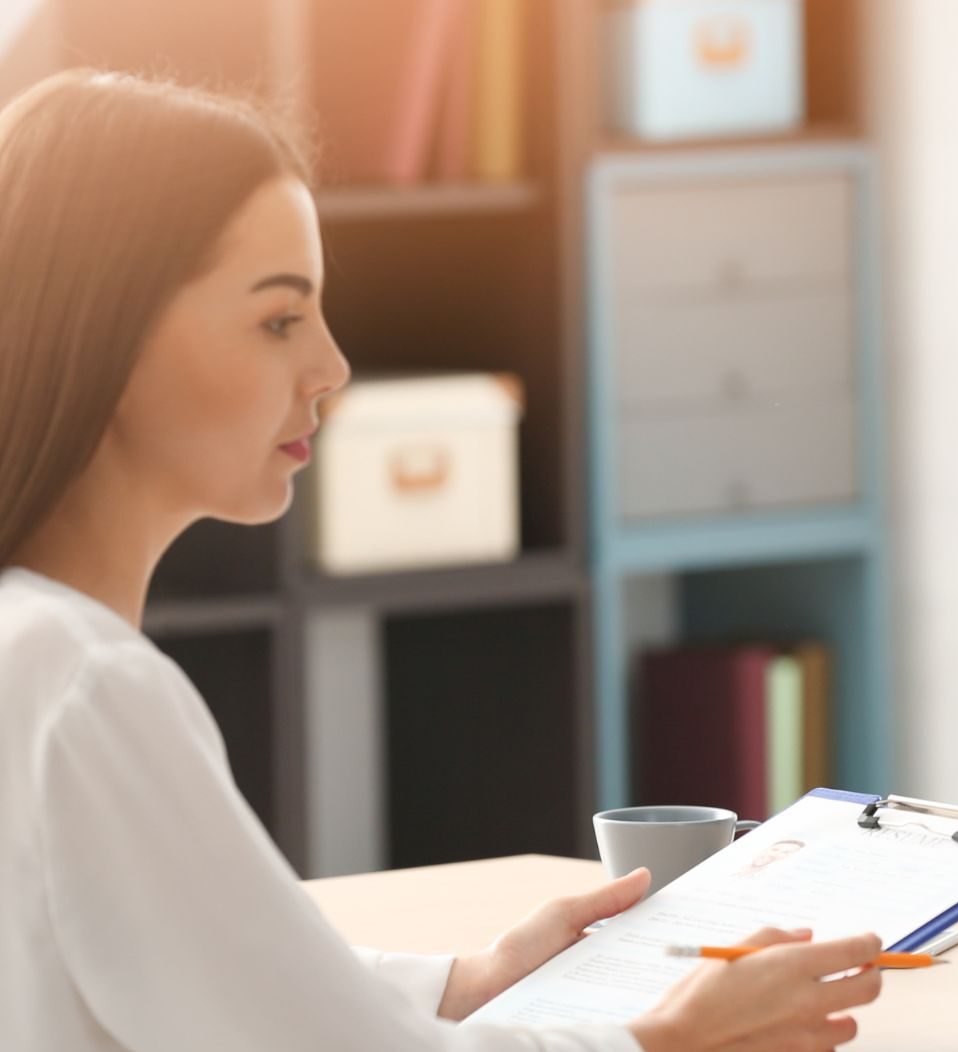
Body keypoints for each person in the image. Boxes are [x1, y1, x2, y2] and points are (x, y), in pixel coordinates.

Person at [0, 70, 882, 1051]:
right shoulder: (86, 686)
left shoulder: (34, 652)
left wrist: (465, 982)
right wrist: (666, 1043)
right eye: (279, 318)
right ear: (107, 330)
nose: (331, 365)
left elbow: (228, 971)